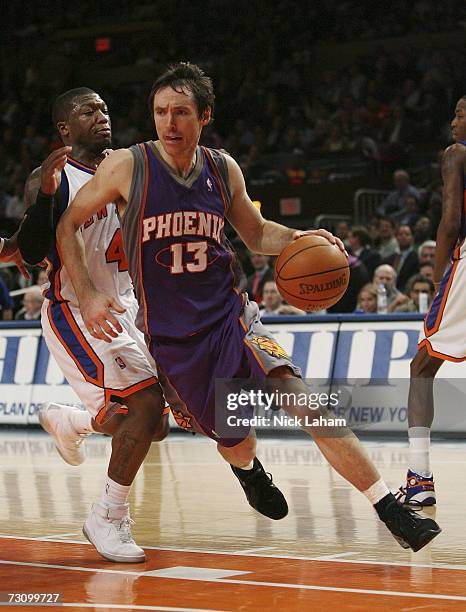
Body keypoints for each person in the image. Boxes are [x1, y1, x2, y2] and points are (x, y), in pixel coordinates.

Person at [57, 62, 441, 552]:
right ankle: (249, 471)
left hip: (230, 318)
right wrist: (88, 292)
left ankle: (390, 508)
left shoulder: (222, 168)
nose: (169, 123)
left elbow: (257, 233)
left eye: (180, 112)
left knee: (305, 401)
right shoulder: (129, 166)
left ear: (204, 116)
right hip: (175, 341)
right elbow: (68, 223)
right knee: (234, 439)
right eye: (160, 112)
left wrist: (301, 238)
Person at [22, 88, 171, 564]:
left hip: (126, 306)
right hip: (75, 307)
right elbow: (29, 249)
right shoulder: (51, 177)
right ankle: (106, 516)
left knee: (155, 424)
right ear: (65, 128)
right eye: (88, 111)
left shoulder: (128, 168)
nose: (101, 115)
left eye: (105, 108)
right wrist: (44, 198)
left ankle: (73, 421)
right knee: (143, 404)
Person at [395, 96, 466, 506]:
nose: (453, 121)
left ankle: (419, 477)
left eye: (459, 114)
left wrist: (439, 275)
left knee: (422, 365)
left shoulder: (457, 154)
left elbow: (451, 220)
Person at [383, 224, 419, 292]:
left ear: (412, 238)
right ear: (396, 237)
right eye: (400, 234)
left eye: (407, 234)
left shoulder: (416, 258)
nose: (403, 237)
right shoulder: (390, 258)